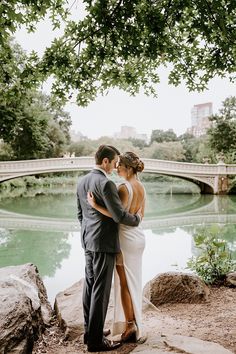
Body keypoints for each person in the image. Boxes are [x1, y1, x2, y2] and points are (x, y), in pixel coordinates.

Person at [77, 145, 142, 353]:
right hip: (103, 243)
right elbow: (120, 216)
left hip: (87, 240)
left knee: (89, 285)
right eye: (114, 162)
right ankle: (95, 341)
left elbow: (80, 215)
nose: (115, 167)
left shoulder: (82, 181)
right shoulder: (106, 184)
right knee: (100, 290)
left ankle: (90, 331)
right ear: (105, 161)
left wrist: (88, 234)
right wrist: (137, 219)